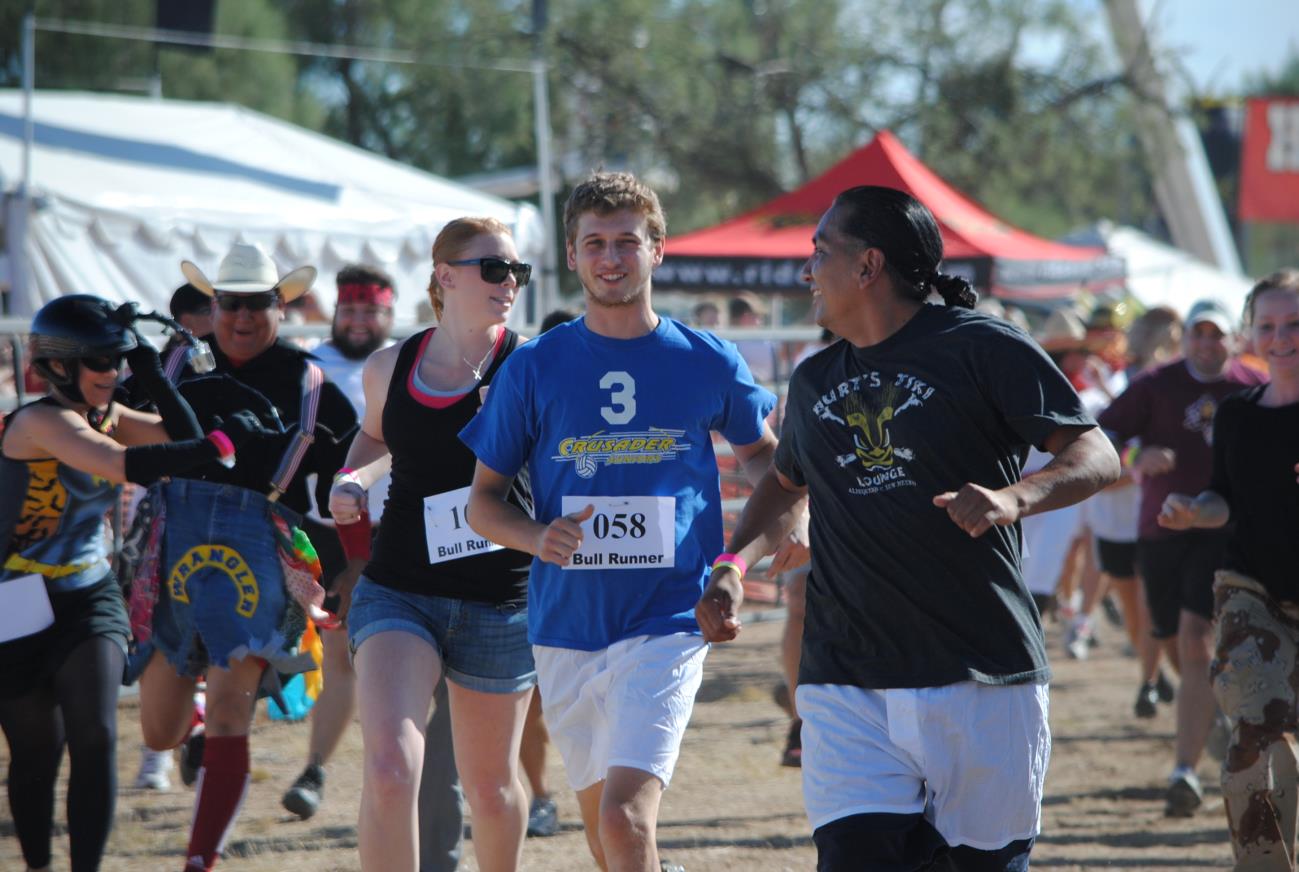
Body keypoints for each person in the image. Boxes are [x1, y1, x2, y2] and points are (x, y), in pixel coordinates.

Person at [697, 186, 1119, 871]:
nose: (806, 270)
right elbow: (782, 482)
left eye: (819, 251)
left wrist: (1014, 497)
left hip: (978, 675)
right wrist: (730, 567)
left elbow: (1096, 454)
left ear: (867, 266)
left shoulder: (982, 348)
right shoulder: (812, 378)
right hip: (845, 681)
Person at [462, 170, 806, 872]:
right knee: (605, 838)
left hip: (667, 621)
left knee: (622, 824)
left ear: (657, 250)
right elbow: (482, 503)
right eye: (594, 243)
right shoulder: (533, 367)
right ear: (571, 254)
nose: (610, 258)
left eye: (626, 241)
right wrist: (536, 536)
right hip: (563, 627)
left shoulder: (707, 359)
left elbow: (769, 469)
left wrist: (760, 545)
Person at [0, 294, 264, 872]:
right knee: (37, 752)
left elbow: (182, 441)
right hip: (13, 600)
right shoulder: (38, 421)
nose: (111, 374)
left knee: (96, 735)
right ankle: (40, 865)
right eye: (102, 362)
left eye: (117, 362)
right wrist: (224, 442)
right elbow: (122, 464)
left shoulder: (110, 413)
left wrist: (150, 369)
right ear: (61, 366)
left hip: (89, 593)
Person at [132, 243, 360, 872]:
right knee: (157, 730)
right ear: (212, 306)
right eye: (230, 303)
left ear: (280, 306)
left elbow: (343, 479)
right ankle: (193, 729)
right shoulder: (173, 368)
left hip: (257, 555)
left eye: (258, 303)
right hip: (172, 548)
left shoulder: (312, 385)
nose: (243, 317)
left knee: (235, 710)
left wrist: (342, 567)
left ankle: (201, 859)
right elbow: (104, 418)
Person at [331, 217, 537, 872]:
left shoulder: (531, 365)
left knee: (492, 790)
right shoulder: (390, 365)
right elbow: (373, 439)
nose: (510, 283)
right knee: (392, 770)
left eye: (516, 271)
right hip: (401, 588)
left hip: (499, 600)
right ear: (446, 277)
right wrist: (351, 478)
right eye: (494, 268)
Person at [1099, 297, 1268, 817]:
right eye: (1200, 334)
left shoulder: (1250, 387)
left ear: (1233, 340)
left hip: (1223, 529)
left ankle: (1184, 772)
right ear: (1187, 337)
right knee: (1168, 636)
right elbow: (1101, 436)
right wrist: (1135, 457)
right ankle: (1207, 711)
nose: (1208, 344)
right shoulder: (1155, 384)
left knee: (1195, 641)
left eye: (1218, 335)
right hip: (1161, 528)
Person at [1159, 270, 1299, 870]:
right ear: (1251, 334)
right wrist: (1194, 511)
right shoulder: (1238, 415)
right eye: (1266, 325)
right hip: (1253, 590)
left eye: (1293, 324)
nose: (1280, 337)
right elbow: (1223, 498)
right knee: (1252, 727)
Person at [281, 263, 398, 821]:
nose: (359, 320)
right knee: (338, 653)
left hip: (396, 528)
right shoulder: (308, 366)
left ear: (389, 314)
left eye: (371, 310)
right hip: (320, 531)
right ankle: (316, 768)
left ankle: (404, 772)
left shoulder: (407, 361)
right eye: (350, 309)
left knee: (398, 654)